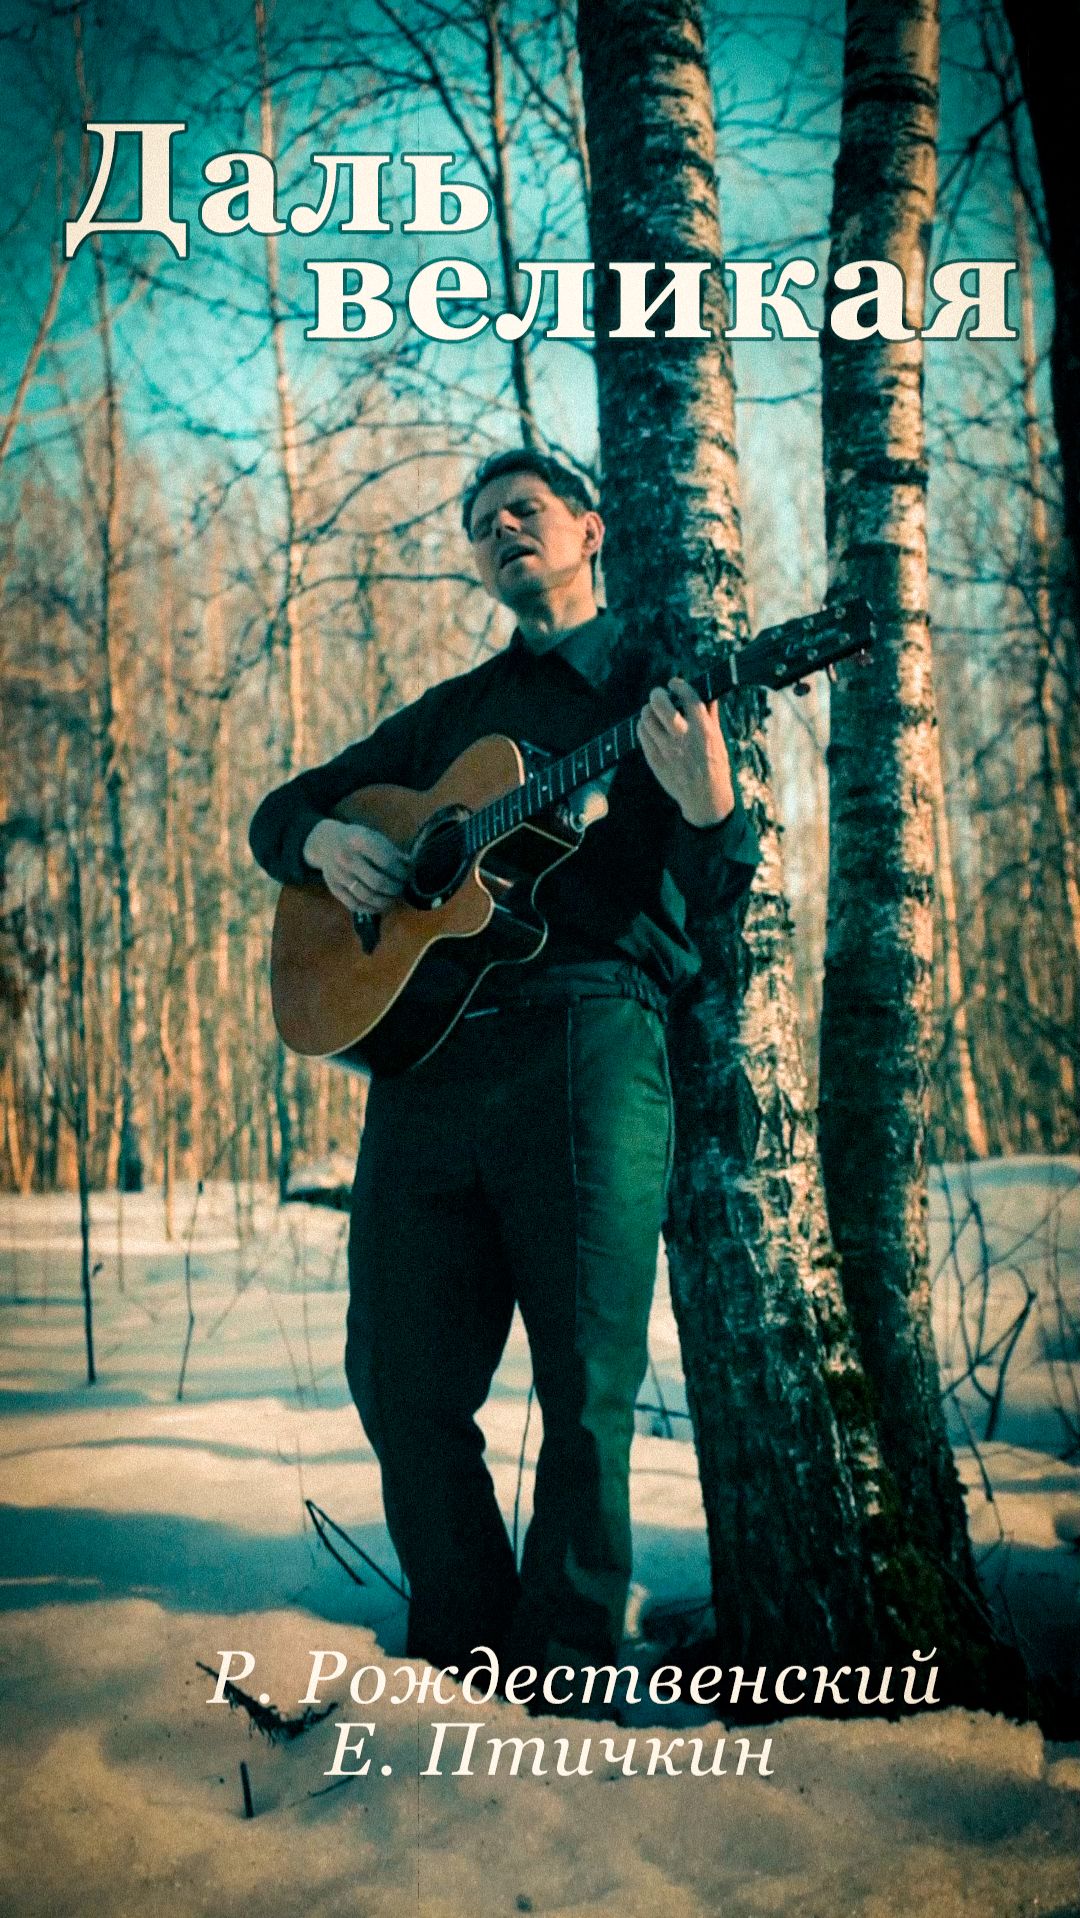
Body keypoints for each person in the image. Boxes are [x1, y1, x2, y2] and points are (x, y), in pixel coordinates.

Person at [249, 449, 760, 1703]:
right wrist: (326, 841)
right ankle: (461, 1649)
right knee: (397, 1373)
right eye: (482, 525)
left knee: (585, 1381)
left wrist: (710, 808)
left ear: (591, 529)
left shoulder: (658, 686)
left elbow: (722, 901)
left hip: (589, 1041)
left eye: (525, 511)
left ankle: (568, 1665)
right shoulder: (454, 714)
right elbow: (281, 812)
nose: (502, 532)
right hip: (426, 1062)